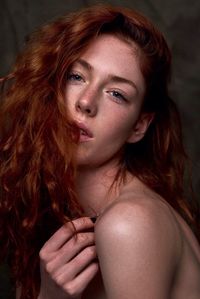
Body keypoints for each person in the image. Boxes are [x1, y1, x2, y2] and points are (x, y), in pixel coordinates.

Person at [0, 4, 200, 299]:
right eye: (76, 76)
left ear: (139, 126)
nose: (86, 102)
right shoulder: (56, 213)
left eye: (116, 94)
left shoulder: (129, 224)